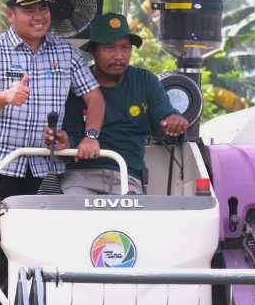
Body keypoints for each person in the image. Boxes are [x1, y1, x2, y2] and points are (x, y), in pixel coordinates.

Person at [0, 0, 106, 200]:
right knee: (4, 232)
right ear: (10, 14)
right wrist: (7, 96)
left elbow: (95, 96)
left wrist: (90, 136)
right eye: (28, 10)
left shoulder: (65, 52)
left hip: (46, 165)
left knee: (43, 233)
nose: (39, 16)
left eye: (43, 7)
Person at [47, 13, 189, 194]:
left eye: (125, 48)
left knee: (130, 214)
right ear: (93, 50)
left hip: (126, 176)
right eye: (109, 48)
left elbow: (165, 120)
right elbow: (72, 137)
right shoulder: (76, 85)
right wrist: (65, 141)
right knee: (74, 214)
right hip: (80, 177)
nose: (119, 56)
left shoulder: (145, 81)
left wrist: (174, 123)